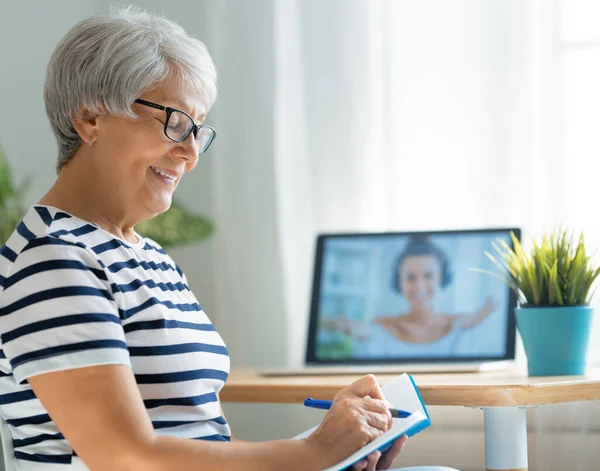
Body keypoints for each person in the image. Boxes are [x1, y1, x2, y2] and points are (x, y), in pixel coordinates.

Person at [0, 6, 459, 471]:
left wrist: (332, 450)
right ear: (90, 117)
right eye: (176, 123)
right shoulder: (52, 259)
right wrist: (311, 453)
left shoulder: (150, 258)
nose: (191, 153)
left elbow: (206, 440)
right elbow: (124, 455)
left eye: (198, 130)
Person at [328, 236, 498, 357]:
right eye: (410, 278)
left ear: (441, 278)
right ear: (399, 282)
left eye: (428, 275)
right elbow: (364, 334)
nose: (419, 286)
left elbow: (483, 314)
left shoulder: (460, 325)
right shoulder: (382, 327)